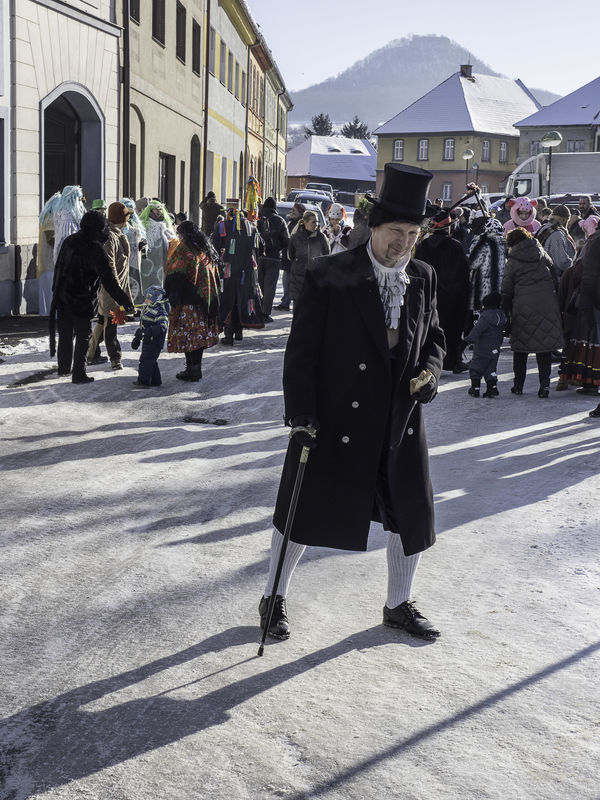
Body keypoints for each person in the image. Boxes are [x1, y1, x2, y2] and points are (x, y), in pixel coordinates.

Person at [259, 163, 446, 643]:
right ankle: (274, 595)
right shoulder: (330, 274)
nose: (403, 243)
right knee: (303, 509)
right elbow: (301, 351)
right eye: (395, 232)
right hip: (335, 416)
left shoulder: (423, 277)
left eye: (412, 233)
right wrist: (301, 413)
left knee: (409, 512)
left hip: (397, 421)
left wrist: (431, 374)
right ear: (373, 228)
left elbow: (435, 340)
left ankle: (398, 604)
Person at [49, 211, 133, 383]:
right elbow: (109, 281)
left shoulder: (70, 241)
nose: (106, 231)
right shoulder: (95, 249)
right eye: (103, 227)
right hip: (82, 299)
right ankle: (78, 374)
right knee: (83, 334)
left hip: (63, 296)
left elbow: (58, 267)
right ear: (97, 228)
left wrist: (55, 292)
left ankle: (64, 368)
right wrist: (125, 301)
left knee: (65, 334)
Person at [501, 228, 564, 397]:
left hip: (522, 306)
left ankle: (518, 386)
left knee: (521, 349)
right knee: (544, 348)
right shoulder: (541, 252)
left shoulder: (512, 260)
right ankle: (544, 385)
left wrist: (503, 308)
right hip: (546, 304)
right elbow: (554, 274)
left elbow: (506, 288)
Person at [164, 221, 221, 381]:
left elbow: (175, 272)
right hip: (205, 300)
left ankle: (192, 369)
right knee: (198, 335)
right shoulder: (205, 249)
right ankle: (194, 368)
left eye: (179, 233)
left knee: (189, 335)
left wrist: (170, 293)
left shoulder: (184, 249)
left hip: (188, 301)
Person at [415, 209, 470, 372]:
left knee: (428, 329)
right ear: (449, 228)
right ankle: (453, 361)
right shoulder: (456, 246)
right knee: (451, 329)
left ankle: (426, 361)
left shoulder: (423, 245)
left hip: (428, 294)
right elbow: (464, 274)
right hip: (452, 296)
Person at [87, 202, 134, 370]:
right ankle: (115, 358)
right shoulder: (110, 237)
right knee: (110, 323)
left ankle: (90, 354)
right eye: (128, 216)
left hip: (117, 287)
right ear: (122, 219)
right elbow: (110, 266)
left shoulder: (117, 233)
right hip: (112, 289)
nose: (129, 219)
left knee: (102, 320)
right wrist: (117, 291)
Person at [212, 201, 264, 344]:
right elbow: (261, 248)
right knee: (241, 298)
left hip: (228, 270)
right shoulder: (252, 227)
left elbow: (213, 247)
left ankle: (229, 334)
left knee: (229, 300)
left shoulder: (222, 226)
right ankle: (239, 330)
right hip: (246, 271)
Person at [561, 216, 600, 396]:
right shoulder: (595, 242)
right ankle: (591, 383)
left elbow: (588, 276)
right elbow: (590, 276)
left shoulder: (594, 242)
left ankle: (592, 383)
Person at [464, 292, 507, 398]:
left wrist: (467, 341)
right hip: (495, 349)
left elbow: (477, 330)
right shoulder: (502, 316)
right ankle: (492, 387)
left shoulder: (485, 317)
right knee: (491, 369)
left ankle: (475, 388)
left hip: (482, 349)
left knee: (476, 367)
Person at [257, 197, 290, 322]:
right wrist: (278, 248)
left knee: (258, 285)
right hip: (274, 257)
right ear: (275, 207)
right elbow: (286, 240)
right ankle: (265, 314)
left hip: (258, 257)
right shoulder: (280, 221)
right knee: (270, 286)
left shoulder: (257, 219)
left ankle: (257, 310)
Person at [288, 209, 330, 308]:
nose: (316, 224)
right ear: (305, 222)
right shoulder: (295, 238)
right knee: (298, 310)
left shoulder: (321, 237)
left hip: (315, 278)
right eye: (313, 222)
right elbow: (291, 255)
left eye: (317, 221)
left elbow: (327, 256)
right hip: (298, 278)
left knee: (313, 310)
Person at [131, 285, 170, 388]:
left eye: (148, 297)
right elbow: (144, 324)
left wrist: (148, 332)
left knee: (145, 360)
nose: (145, 299)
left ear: (155, 298)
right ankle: (156, 380)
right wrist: (138, 337)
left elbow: (162, 326)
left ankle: (144, 381)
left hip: (155, 341)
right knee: (151, 360)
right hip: (148, 340)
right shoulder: (149, 308)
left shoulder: (160, 311)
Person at [467, 216, 506, 315]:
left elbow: (472, 263)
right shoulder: (504, 242)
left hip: (483, 288)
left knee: (481, 319)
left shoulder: (483, 242)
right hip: (499, 287)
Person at [139, 200, 176, 293]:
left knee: (160, 277)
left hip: (162, 255)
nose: (159, 211)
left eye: (160, 209)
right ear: (151, 210)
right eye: (156, 209)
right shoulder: (145, 222)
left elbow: (171, 237)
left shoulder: (164, 223)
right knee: (148, 277)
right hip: (149, 256)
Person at [276, 203, 305, 311]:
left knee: (289, 281)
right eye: (292, 211)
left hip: (293, 258)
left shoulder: (300, 225)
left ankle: (287, 302)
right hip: (287, 256)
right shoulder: (291, 223)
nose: (292, 213)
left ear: (300, 214)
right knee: (286, 280)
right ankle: (286, 301)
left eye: (294, 211)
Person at [535, 204, 577, 277]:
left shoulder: (543, 228)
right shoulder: (557, 235)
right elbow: (562, 263)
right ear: (564, 219)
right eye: (567, 221)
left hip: (540, 274)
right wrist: (574, 265)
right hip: (552, 278)